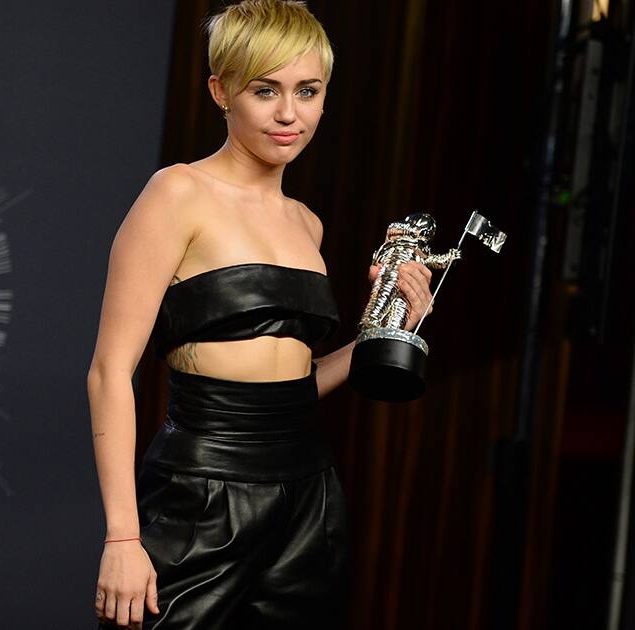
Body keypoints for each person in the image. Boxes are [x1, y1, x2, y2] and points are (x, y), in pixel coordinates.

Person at [87, 1, 434, 627]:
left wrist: (387, 328)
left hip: (309, 500)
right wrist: (122, 537)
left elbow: (295, 383)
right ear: (221, 90)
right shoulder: (177, 193)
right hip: (200, 493)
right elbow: (111, 373)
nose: (288, 114)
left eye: (308, 91)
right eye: (265, 90)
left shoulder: (308, 224)